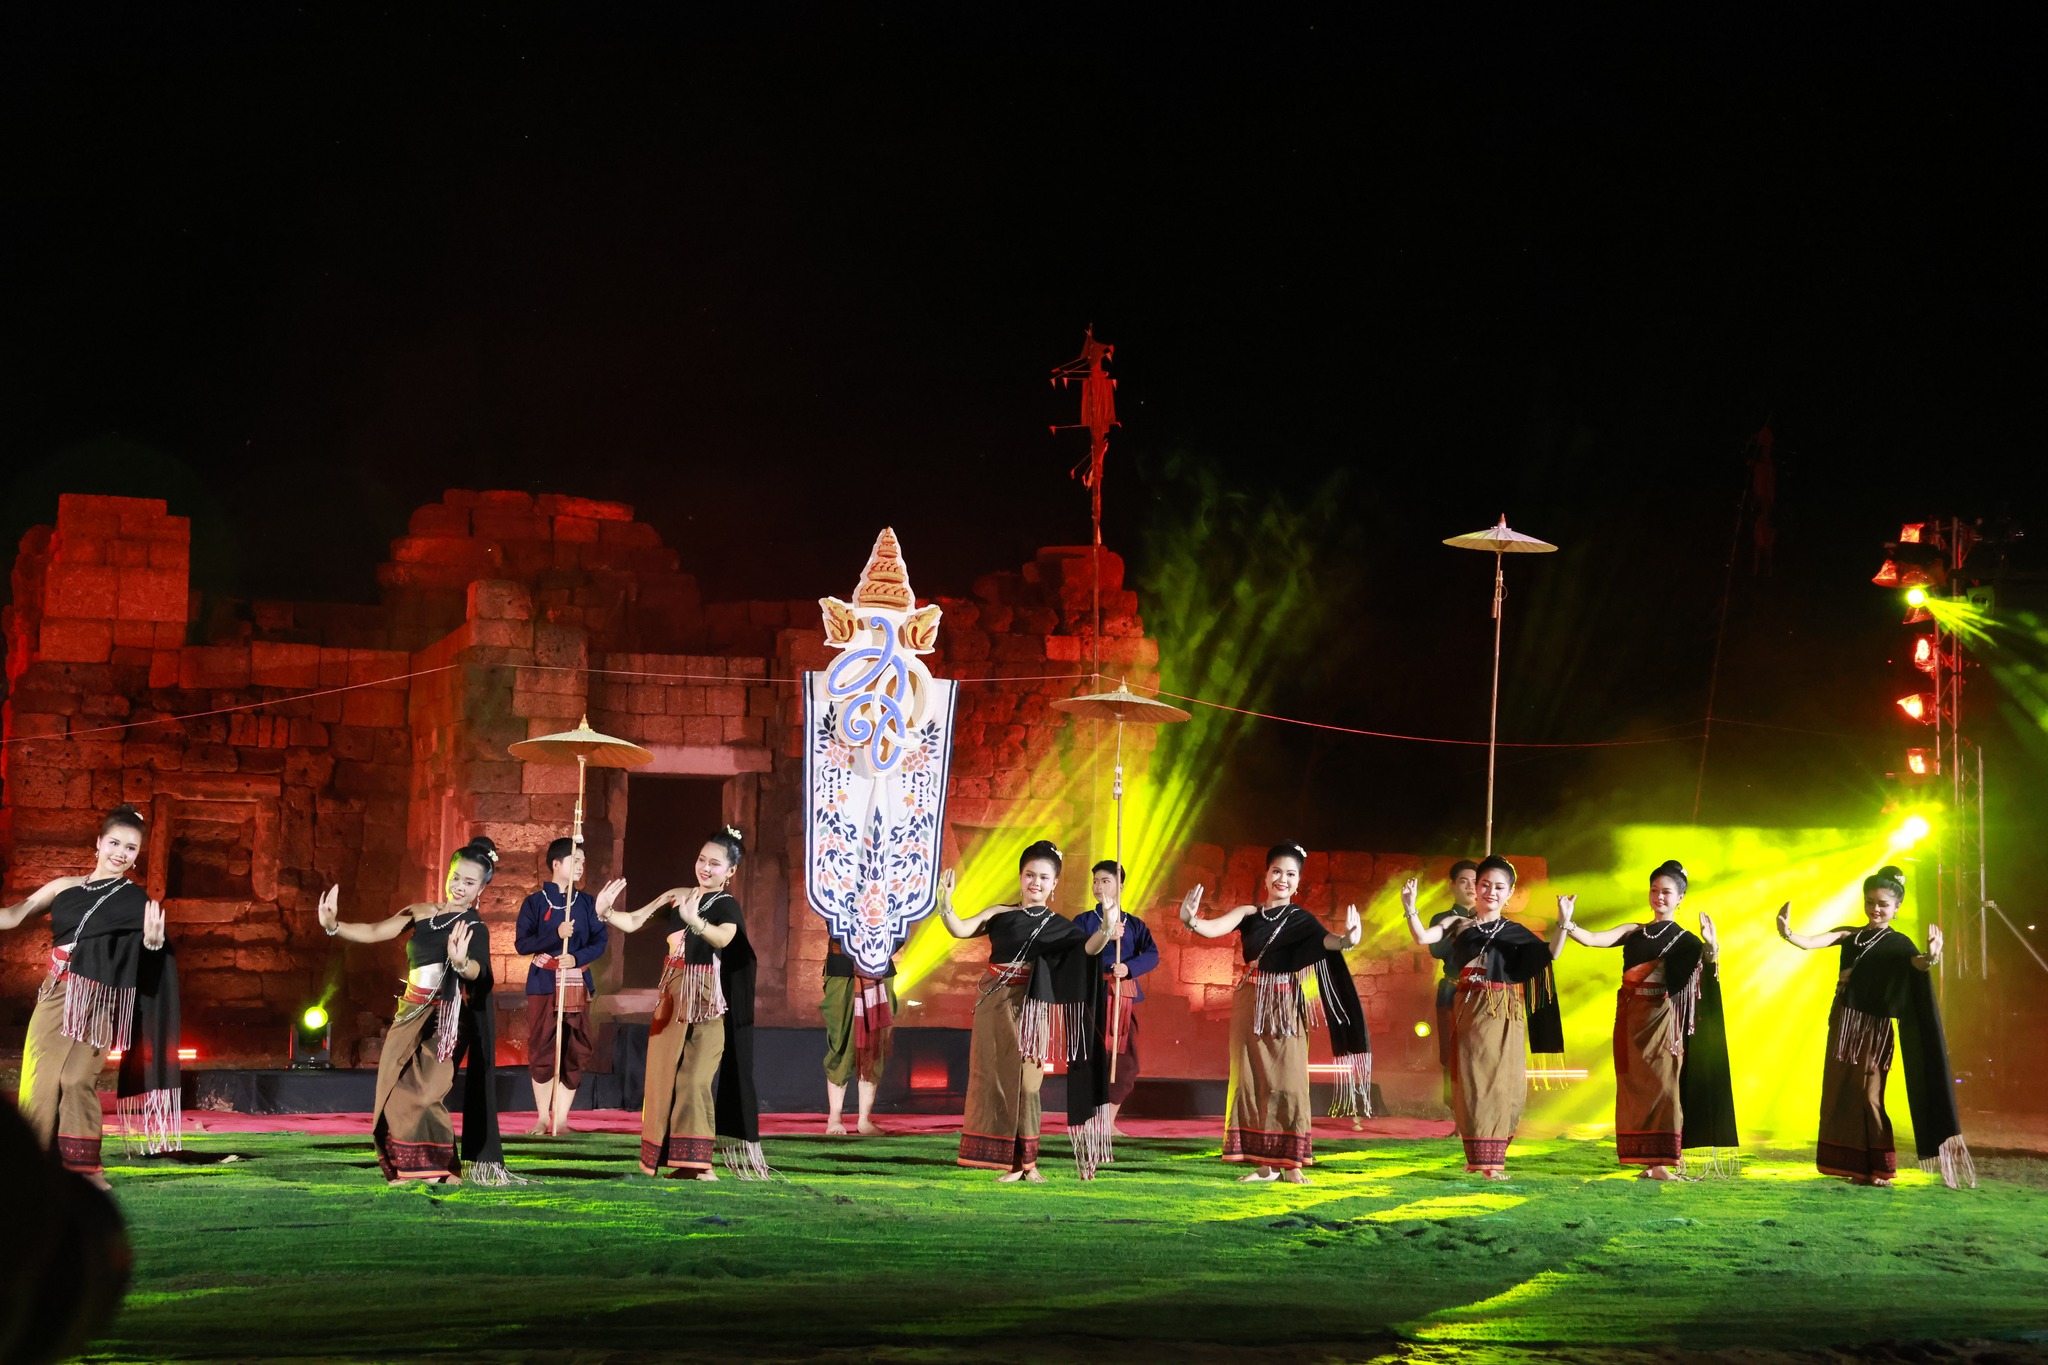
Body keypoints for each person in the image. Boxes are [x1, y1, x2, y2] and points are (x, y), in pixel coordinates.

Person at [320, 836, 521, 1186]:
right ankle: (410, 1168)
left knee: (427, 1091)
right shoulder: (420, 912)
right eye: (455, 877)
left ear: (481, 890)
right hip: (409, 1012)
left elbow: (480, 972)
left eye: (469, 882)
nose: (459, 887)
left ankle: (441, 1168)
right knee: (393, 1089)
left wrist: (461, 963)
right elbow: (375, 930)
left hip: (446, 1019)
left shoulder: (474, 928)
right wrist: (334, 926)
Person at [3, 803, 178, 1187]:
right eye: (114, 843)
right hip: (55, 994)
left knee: (76, 1079)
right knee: (39, 1082)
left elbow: (154, 955)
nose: (120, 853)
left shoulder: (136, 901)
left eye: (130, 848)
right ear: (98, 843)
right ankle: (33, 1167)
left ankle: (84, 1170)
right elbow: (14, 915)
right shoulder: (63, 887)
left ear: (137, 855)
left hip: (100, 1001)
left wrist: (152, 944)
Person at [1777, 864, 1974, 1188]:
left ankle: (1881, 1168)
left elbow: (1917, 964)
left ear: (1897, 907)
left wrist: (1931, 957)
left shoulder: (1899, 943)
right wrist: (1787, 932)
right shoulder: (1850, 935)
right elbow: (1809, 942)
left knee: (1869, 1094)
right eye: (1870, 902)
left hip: (1874, 1028)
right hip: (1844, 1020)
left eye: (1883, 904)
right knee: (1842, 1091)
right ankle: (1856, 1166)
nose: (1875, 909)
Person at [1180, 842, 1366, 1184]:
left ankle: (1291, 1164)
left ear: (1298, 882)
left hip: (1285, 1005)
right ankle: (1265, 1167)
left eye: (1290, 874)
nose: (1283, 878)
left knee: (1289, 1082)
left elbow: (1329, 942)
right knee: (1250, 1082)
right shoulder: (1248, 914)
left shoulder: (1302, 920)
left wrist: (1348, 939)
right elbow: (1213, 927)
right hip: (1250, 1002)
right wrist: (1190, 919)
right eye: (1277, 871)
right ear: (1266, 876)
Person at [939, 840, 1119, 1181]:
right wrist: (946, 906)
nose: (1036, 882)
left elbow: (1089, 949)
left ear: (1054, 884)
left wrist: (1107, 928)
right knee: (994, 1079)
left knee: (1029, 1084)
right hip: (993, 1002)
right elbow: (960, 929)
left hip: (1032, 1007)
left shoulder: (1060, 926)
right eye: (1030, 875)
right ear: (1020, 877)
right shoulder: (999, 913)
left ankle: (1029, 1164)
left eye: (1044, 877)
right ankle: (1008, 1162)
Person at [604, 827, 770, 1179]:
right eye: (701, 859)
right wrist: (605, 912)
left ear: (731, 871)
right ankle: (682, 1164)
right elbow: (633, 921)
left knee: (694, 1080)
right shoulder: (678, 896)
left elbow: (723, 937)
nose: (705, 868)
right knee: (664, 1078)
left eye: (715, 863)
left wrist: (696, 922)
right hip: (672, 999)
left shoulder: (726, 905)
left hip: (707, 1002)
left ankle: (701, 1164)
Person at [1563, 860, 1736, 1179]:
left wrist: (1711, 946)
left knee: (1665, 1087)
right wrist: (1568, 923)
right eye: (1654, 890)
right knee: (1635, 1087)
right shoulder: (1634, 931)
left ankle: (1661, 1163)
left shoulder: (1685, 940)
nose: (1659, 897)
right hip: (1630, 1019)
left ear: (1680, 898)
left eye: (1666, 892)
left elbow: (1706, 969)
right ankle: (1648, 1162)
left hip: (1663, 1021)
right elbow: (1593, 939)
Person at [1402, 855, 1567, 1180]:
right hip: (1472, 1007)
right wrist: (1410, 908)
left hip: (1506, 1010)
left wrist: (1563, 921)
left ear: (1510, 893)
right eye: (1485, 885)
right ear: (1476, 888)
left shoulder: (1515, 931)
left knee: (1508, 1086)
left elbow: (1551, 953)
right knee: (1475, 1082)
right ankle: (1482, 1160)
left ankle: (1491, 1157)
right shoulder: (1457, 923)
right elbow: (1423, 937)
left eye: (1499, 887)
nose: (1491, 891)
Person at [513, 838, 624, 1136]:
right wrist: (555, 933)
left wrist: (576, 957)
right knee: (543, 1047)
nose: (580, 866)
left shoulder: (587, 903)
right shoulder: (534, 903)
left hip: (576, 982)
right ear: (556, 864)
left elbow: (599, 942)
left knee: (574, 1048)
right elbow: (522, 944)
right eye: (575, 861)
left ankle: (561, 1120)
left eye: (583, 862)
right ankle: (542, 1118)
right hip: (543, 984)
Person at [1072, 859, 1159, 1138]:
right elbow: (1076, 953)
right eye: (1095, 881)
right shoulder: (1084, 921)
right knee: (1091, 1058)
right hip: (1092, 997)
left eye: (1106, 881)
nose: (1098, 886)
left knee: (1125, 1062)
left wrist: (1128, 968)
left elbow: (1152, 955)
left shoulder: (1134, 924)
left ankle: (1107, 1122)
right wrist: (1106, 935)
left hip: (1122, 997)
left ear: (1120, 886)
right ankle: (1089, 1121)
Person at [821, 930, 902, 1136]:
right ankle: (835, 1117)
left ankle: (864, 1119)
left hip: (880, 969)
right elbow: (834, 922)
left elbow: (901, 928)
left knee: (875, 1042)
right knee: (841, 1041)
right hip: (843, 969)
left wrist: (878, 951)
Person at [1426, 859, 1480, 1110]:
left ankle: (1477, 1106)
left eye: (1475, 882)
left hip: (1480, 991)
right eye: (1464, 881)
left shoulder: (1488, 918)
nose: (1470, 887)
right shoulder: (1442, 919)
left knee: (1479, 1050)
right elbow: (1437, 950)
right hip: (1452, 989)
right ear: (1453, 886)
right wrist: (1462, 930)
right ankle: (1456, 1109)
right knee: (1452, 1053)